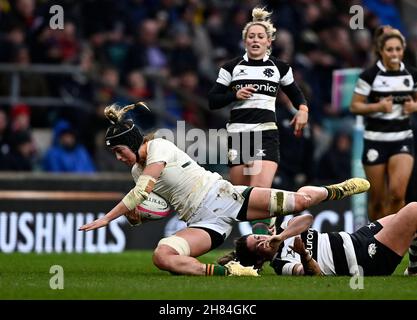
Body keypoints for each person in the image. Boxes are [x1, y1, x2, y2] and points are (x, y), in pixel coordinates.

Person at [78, 102, 370, 277]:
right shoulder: (135, 170)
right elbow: (149, 201)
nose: (118, 157)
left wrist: (109, 217)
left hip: (224, 197)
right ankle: (230, 271)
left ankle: (337, 189)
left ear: (131, 142)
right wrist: (136, 216)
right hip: (204, 224)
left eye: (119, 150)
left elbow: (143, 190)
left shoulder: (158, 147)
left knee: (302, 201)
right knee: (162, 257)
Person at [208, 7, 309, 237]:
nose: (255, 40)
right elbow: (213, 101)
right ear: (245, 41)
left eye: (260, 36)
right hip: (239, 136)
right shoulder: (231, 68)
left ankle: (261, 246)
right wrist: (235, 94)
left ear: (268, 42)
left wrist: (303, 110)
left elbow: (296, 95)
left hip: (265, 132)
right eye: (251, 36)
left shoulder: (279, 68)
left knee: (260, 190)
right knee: (241, 198)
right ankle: (269, 226)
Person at [350, 27, 417, 276]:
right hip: (376, 141)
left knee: (398, 194)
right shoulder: (370, 76)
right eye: (390, 50)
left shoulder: (411, 75)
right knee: (377, 199)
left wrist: (414, 105)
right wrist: (378, 106)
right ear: (381, 51)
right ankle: (377, 243)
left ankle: (395, 245)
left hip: (402, 140)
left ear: (403, 50)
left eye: (398, 49)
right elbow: (355, 106)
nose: (394, 54)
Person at [234, 201, 417, 276]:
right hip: (363, 259)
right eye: (259, 246)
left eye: (258, 237)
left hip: (357, 237)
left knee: (402, 218)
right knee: (413, 210)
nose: (262, 240)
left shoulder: (283, 230)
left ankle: (414, 269)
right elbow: (314, 274)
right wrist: (304, 254)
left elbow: (307, 219)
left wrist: (281, 236)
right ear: (260, 259)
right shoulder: (281, 264)